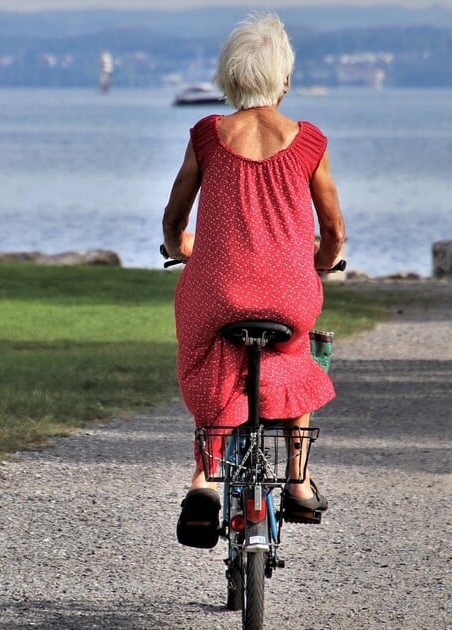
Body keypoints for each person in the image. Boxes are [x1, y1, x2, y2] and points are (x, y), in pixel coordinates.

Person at [161, 12, 346, 548]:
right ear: (283, 79)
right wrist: (324, 261)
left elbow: (175, 220)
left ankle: (205, 480)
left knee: (211, 352)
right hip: (288, 293)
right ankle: (298, 478)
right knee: (295, 356)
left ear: (228, 78)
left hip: (217, 290)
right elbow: (333, 229)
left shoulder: (207, 135)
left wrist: (181, 250)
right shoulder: (309, 141)